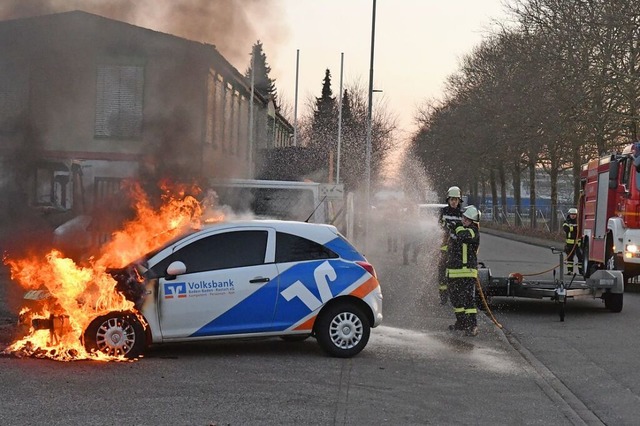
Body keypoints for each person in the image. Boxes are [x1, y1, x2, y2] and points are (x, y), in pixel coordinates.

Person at [447, 205, 481, 336]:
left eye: (467, 219)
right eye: (463, 218)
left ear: (472, 221)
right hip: (454, 270)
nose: (463, 220)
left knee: (468, 300)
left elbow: (462, 235)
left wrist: (456, 226)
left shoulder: (473, 231)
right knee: (455, 299)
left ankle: (472, 326)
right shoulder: (458, 228)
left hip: (466, 271)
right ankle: (461, 322)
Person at [437, 186, 464, 304]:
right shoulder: (443, 211)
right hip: (444, 247)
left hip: (456, 248)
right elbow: (439, 225)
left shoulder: (461, 214)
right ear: (448, 200)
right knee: (442, 271)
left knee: (453, 273)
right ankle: (443, 297)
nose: (454, 202)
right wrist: (445, 227)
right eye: (452, 199)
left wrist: (455, 228)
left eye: (456, 200)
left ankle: (454, 293)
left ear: (459, 201)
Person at [562, 207, 583, 275]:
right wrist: (575, 228)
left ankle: (581, 271)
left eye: (574, 214)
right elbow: (566, 229)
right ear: (569, 214)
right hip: (569, 243)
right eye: (572, 214)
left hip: (578, 243)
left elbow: (580, 230)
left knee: (580, 257)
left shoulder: (579, 221)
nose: (573, 215)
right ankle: (570, 271)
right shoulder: (566, 222)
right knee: (570, 258)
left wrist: (572, 228)